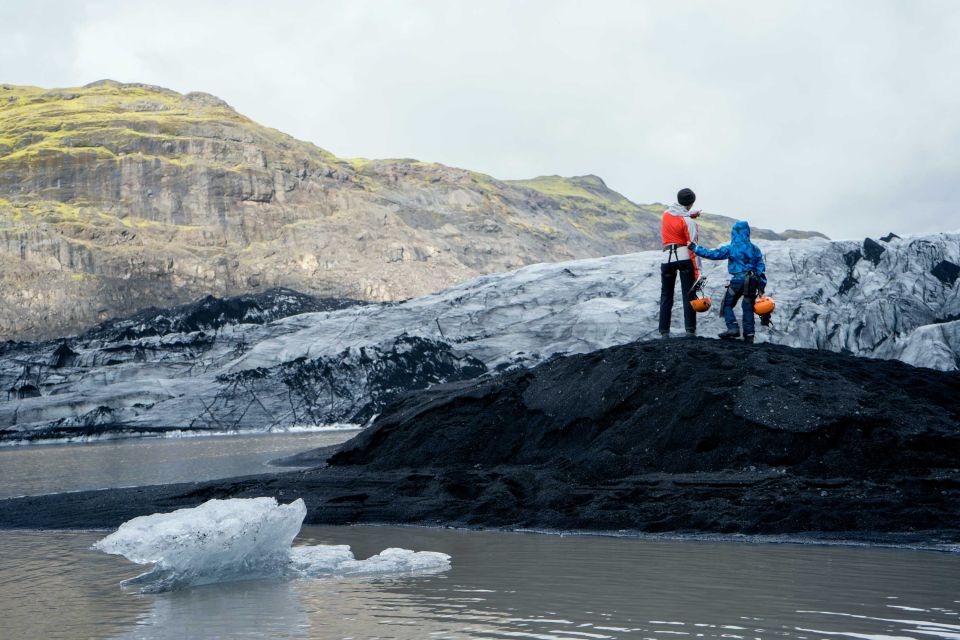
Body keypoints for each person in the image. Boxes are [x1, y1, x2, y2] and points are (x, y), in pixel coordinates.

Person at [689, 220, 766, 343]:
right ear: (747, 233)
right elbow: (761, 268)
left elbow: (714, 254)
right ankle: (749, 336)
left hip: (738, 280)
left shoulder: (732, 248)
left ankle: (733, 328)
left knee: (727, 304)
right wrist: (761, 287)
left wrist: (696, 249)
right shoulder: (755, 249)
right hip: (753, 280)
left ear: (735, 233)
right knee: (747, 307)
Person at [658, 187, 702, 337]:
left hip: (666, 258)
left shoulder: (665, 214)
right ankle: (690, 330)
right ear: (690, 204)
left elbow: (677, 214)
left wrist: (691, 214)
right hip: (683, 258)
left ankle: (664, 332)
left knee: (666, 295)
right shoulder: (688, 221)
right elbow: (692, 247)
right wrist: (697, 272)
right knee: (688, 294)